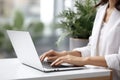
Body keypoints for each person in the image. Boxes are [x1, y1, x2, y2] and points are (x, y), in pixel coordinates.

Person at [40, 0, 120, 80]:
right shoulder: (101, 10)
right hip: (97, 75)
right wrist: (65, 54)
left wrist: (83, 60)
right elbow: (92, 48)